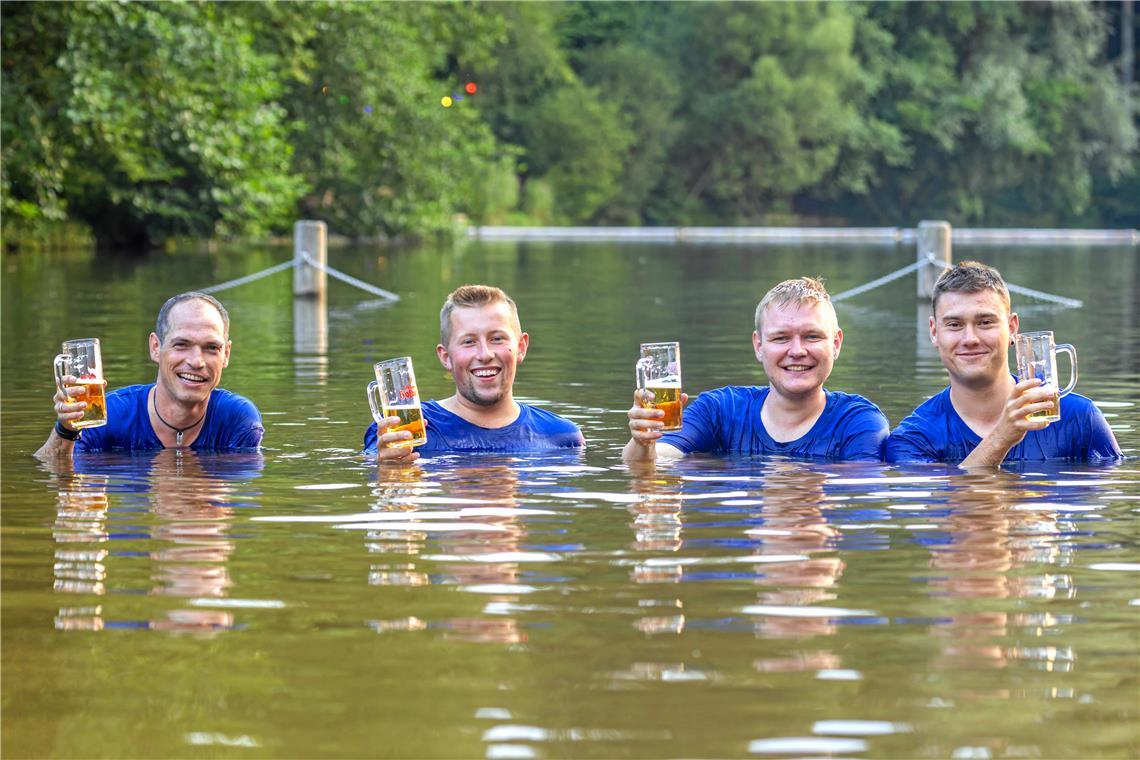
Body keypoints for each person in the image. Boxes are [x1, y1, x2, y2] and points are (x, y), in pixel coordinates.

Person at [624, 277, 889, 463]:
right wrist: (642, 443)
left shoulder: (858, 422)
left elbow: (860, 493)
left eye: (812, 336)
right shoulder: (718, 409)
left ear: (836, 344)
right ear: (758, 345)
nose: (797, 350)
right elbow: (656, 459)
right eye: (781, 338)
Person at [884, 261, 1121, 465]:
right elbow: (943, 500)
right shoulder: (912, 438)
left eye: (985, 322)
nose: (970, 339)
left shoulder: (1080, 419)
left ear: (1012, 328)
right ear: (934, 332)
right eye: (954, 325)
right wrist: (1002, 437)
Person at [364, 285, 584, 462]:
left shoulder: (562, 437)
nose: (485, 354)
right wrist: (387, 469)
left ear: (521, 347)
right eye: (468, 342)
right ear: (445, 357)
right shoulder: (402, 432)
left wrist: (621, 466)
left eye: (497, 338)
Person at [35, 292, 264, 459]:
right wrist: (65, 429)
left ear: (226, 354)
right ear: (156, 347)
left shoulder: (237, 418)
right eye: (181, 344)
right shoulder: (109, 416)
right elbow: (52, 474)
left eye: (211, 347)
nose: (197, 361)